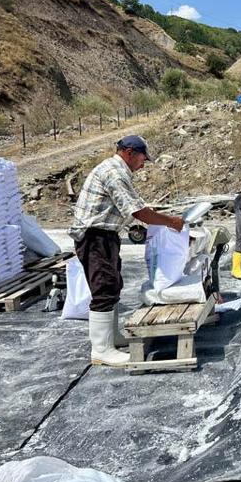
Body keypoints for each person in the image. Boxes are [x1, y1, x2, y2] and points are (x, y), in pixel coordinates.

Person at [69, 135, 184, 367]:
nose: (143, 164)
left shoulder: (118, 171)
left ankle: (111, 338)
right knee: (104, 288)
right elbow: (138, 212)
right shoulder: (114, 173)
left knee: (112, 285)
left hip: (105, 235)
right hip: (94, 236)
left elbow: (136, 207)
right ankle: (101, 349)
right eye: (143, 158)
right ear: (130, 152)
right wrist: (171, 222)